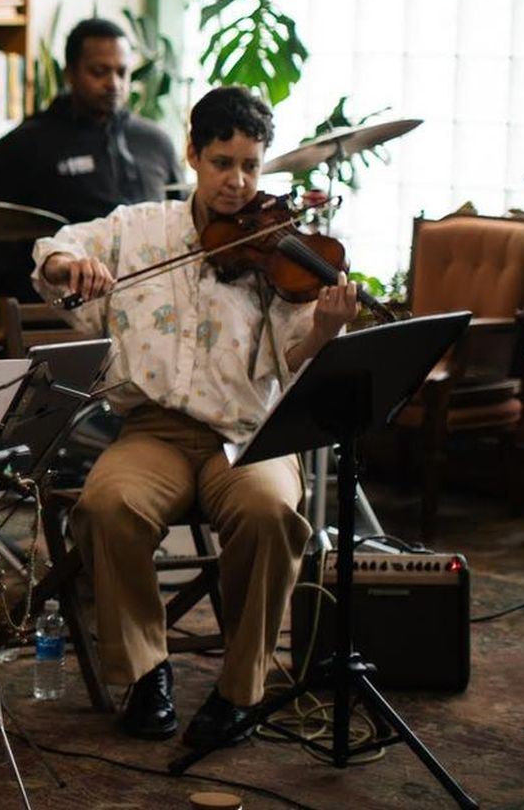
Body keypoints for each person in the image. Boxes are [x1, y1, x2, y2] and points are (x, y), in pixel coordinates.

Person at [32, 86, 355, 748]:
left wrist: (324, 330)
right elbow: (54, 250)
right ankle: (147, 672)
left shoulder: (278, 246)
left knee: (271, 515)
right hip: (155, 430)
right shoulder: (137, 228)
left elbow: (293, 354)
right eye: (222, 163)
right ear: (192, 156)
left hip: (250, 434)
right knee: (107, 505)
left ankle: (241, 692)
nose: (238, 183)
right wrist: (72, 267)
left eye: (251, 165)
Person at [0, 17, 182, 302]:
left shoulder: (156, 141)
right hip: (60, 308)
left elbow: (180, 222)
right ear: (70, 73)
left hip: (150, 306)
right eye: (99, 72)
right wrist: (36, 287)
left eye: (122, 72)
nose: (114, 83)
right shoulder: (26, 143)